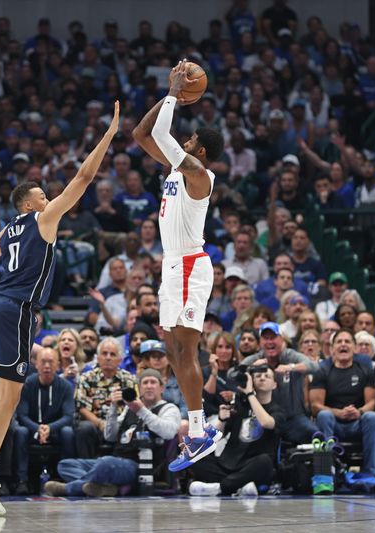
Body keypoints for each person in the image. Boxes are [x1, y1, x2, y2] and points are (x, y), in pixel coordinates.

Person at [0, 103, 119, 515]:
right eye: (43, 196)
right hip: (15, 308)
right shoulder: (41, 219)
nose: (50, 199)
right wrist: (109, 134)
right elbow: (84, 177)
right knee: (10, 397)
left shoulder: (10, 226)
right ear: (31, 205)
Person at [132, 61, 226, 471]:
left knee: (185, 350)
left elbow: (160, 135)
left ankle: (200, 429)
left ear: (199, 150)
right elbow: (141, 134)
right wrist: (169, 96)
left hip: (190, 265)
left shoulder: (199, 174)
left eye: (189, 140)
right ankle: (200, 428)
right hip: (173, 268)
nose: (183, 142)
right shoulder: (176, 167)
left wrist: (174, 92)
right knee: (172, 350)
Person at [45, 368, 181, 497]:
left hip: (141, 467)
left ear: (162, 387)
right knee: (65, 465)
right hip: (117, 460)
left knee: (105, 464)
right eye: (145, 382)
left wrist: (141, 410)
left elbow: (168, 432)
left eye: (153, 382)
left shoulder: (168, 408)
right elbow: (109, 436)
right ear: (139, 388)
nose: (149, 386)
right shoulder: (130, 409)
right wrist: (113, 407)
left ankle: (69, 488)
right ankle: (102, 487)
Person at [188, 362, 283, 497]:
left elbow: (266, 422)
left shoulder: (277, 410)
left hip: (253, 466)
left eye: (267, 376)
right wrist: (221, 420)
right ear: (252, 381)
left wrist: (250, 394)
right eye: (258, 376)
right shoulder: (240, 406)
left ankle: (220, 487)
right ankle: (239, 486)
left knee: (265, 462)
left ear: (274, 384)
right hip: (229, 463)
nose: (262, 378)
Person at [310, 329, 375, 475]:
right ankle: (327, 471)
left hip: (357, 423)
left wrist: (359, 412)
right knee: (324, 416)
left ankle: (370, 472)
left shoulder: (365, 370)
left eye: (347, 341)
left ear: (354, 348)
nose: (343, 345)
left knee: (372, 417)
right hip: (333, 423)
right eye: (339, 342)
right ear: (332, 348)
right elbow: (315, 406)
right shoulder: (323, 371)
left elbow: (372, 402)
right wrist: (338, 413)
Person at [242, 322, 319, 444]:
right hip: (265, 418)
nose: (269, 342)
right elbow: (233, 373)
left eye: (273, 338)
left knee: (316, 434)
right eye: (265, 338)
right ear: (260, 343)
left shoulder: (290, 355)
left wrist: (291, 367)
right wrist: (251, 368)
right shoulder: (257, 359)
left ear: (281, 340)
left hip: (293, 417)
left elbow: (314, 366)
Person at [13, 347, 75, 496]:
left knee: (68, 432)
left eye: (51, 362)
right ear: (36, 364)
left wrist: (49, 428)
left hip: (55, 429)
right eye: (43, 362)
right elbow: (22, 415)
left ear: (58, 365)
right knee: (20, 431)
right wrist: (38, 428)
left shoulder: (65, 386)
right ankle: (22, 480)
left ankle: (65, 478)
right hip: (32, 428)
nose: (47, 366)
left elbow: (68, 416)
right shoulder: (27, 384)